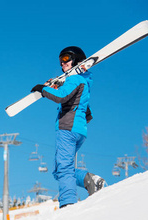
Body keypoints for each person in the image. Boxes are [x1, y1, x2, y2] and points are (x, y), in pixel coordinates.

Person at [31, 46, 106, 209]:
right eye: (60, 61)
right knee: (59, 170)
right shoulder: (84, 82)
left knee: (63, 168)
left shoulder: (75, 79)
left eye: (66, 59)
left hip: (67, 128)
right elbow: (83, 108)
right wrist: (54, 86)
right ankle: (89, 180)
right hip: (78, 130)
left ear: (78, 60)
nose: (62, 63)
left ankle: (68, 203)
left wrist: (42, 89)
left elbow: (61, 96)